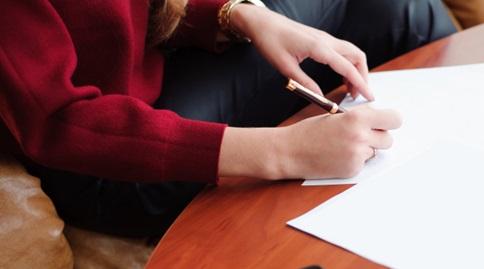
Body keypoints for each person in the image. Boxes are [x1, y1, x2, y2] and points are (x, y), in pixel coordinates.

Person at [0, 0, 457, 238]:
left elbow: (134, 17)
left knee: (390, 9)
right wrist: (284, 152)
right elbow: (57, 122)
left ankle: (468, 143)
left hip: (153, 88)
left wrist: (239, 16)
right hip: (103, 166)